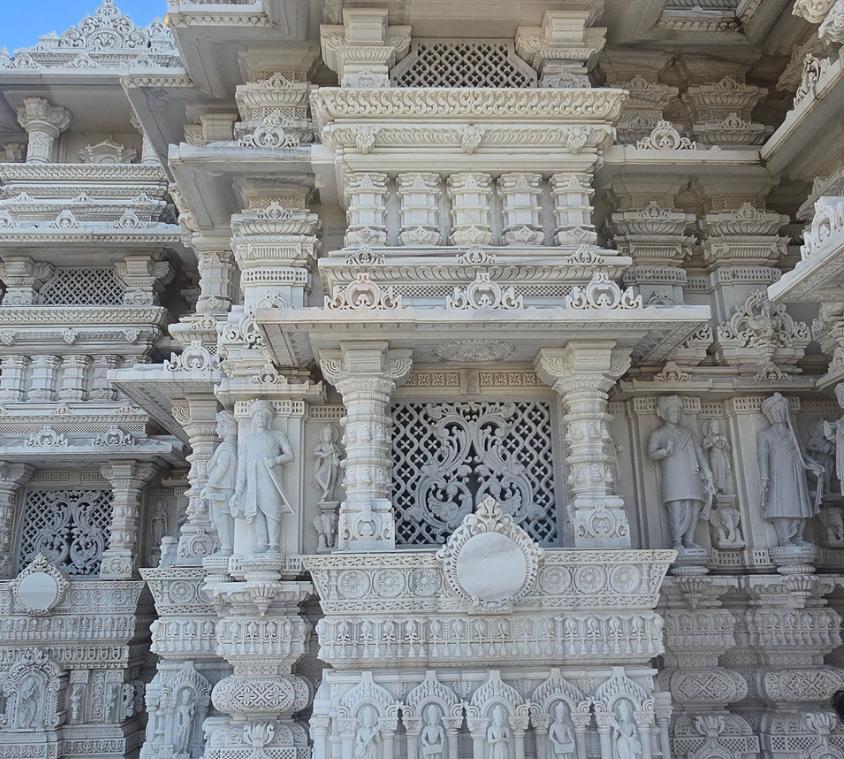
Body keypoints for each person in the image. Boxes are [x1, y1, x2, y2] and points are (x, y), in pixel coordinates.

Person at [647, 395, 715, 550]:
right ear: (663, 413)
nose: (676, 414)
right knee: (676, 506)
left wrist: (708, 474)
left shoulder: (688, 433)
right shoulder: (659, 434)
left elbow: (699, 454)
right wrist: (663, 452)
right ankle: (677, 541)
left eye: (678, 411)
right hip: (673, 477)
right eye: (672, 411)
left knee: (694, 504)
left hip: (692, 475)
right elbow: (651, 453)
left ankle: (689, 540)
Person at [757, 393, 824, 548]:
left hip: (796, 471)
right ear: (770, 415)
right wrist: (765, 478)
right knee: (782, 503)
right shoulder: (766, 434)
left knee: (800, 502)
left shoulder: (792, 434)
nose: (779, 414)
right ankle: (785, 539)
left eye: (782, 411)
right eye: (776, 411)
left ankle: (799, 536)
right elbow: (763, 456)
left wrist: (813, 465)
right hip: (779, 473)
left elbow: (802, 454)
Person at [231, 401, 294, 554]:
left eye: (263, 415)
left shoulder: (277, 435)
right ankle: (262, 543)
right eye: (257, 416)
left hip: (271, 479)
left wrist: (275, 460)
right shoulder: (247, 441)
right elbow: (242, 467)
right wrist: (238, 491)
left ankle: (274, 544)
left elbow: (290, 455)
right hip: (253, 480)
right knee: (256, 510)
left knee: (273, 510)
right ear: (253, 419)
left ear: (268, 418)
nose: (260, 418)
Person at [201, 410, 238, 557]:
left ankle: (227, 548)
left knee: (223, 518)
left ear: (226, 426)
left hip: (223, 488)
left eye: (219, 425)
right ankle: (227, 547)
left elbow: (223, 466)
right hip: (224, 488)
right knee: (222, 518)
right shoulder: (231, 445)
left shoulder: (227, 447)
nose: (217, 429)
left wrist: (210, 485)